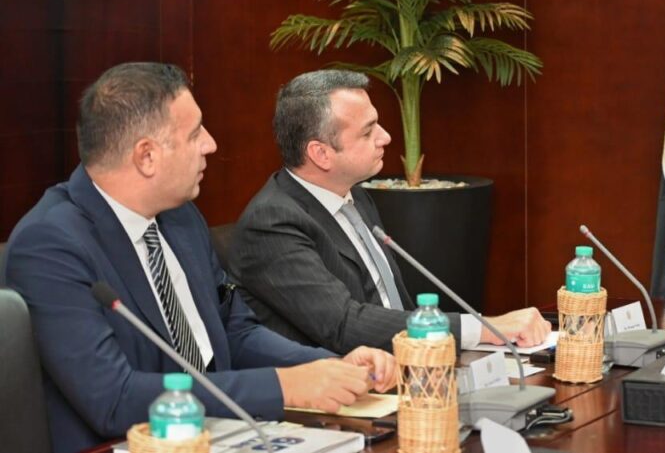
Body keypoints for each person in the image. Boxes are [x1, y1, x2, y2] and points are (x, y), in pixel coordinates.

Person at [2, 63, 397, 453]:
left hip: (225, 433)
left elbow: (234, 333)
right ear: (146, 156)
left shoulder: (181, 218)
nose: (211, 144)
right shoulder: (50, 246)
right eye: (195, 134)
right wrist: (283, 387)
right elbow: (114, 398)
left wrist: (330, 367)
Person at [229, 69, 552, 354]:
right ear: (321, 154)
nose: (385, 137)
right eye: (368, 131)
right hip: (347, 387)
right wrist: (482, 329)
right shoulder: (272, 223)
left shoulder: (356, 195)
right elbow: (344, 325)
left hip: (413, 364)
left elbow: (393, 306)